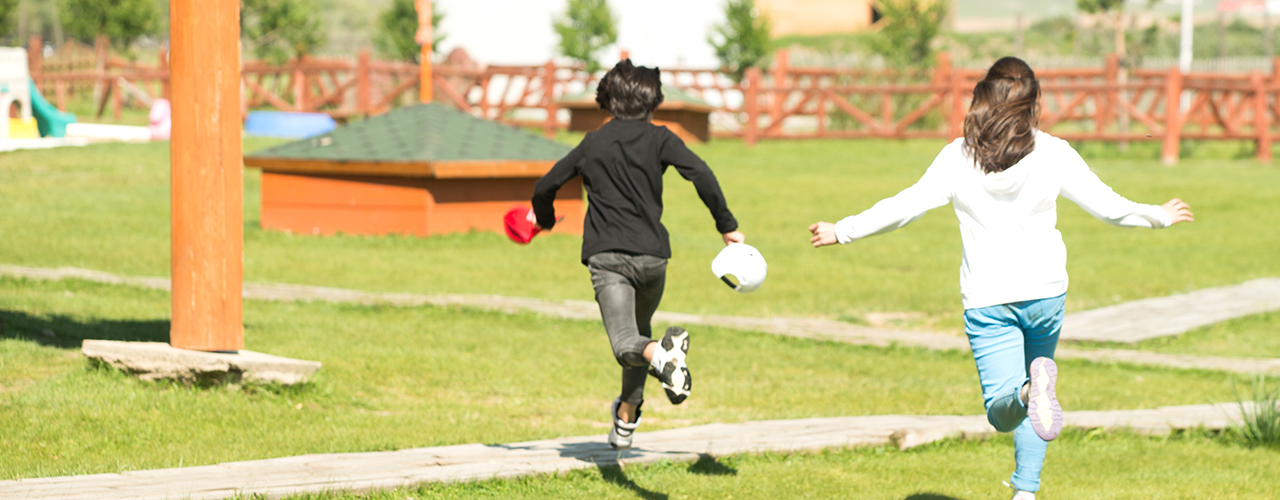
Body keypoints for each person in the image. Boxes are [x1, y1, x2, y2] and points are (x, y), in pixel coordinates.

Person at [807, 57, 1193, 500]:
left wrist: (844, 230)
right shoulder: (1053, 153)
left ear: (983, 97)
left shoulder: (958, 157)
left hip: (990, 301)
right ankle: (1025, 492)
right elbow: (1108, 206)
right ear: (1033, 104)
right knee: (1038, 393)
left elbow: (905, 205)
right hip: (1047, 293)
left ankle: (1029, 393)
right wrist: (1158, 217)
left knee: (1003, 409)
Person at [531, 59, 744, 450]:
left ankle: (660, 356)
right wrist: (726, 226)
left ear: (608, 98)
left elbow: (545, 186)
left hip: (609, 260)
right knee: (639, 334)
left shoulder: (593, 142)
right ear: (653, 100)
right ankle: (626, 418)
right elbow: (701, 174)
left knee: (627, 344)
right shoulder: (660, 138)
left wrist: (544, 221)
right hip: (652, 260)